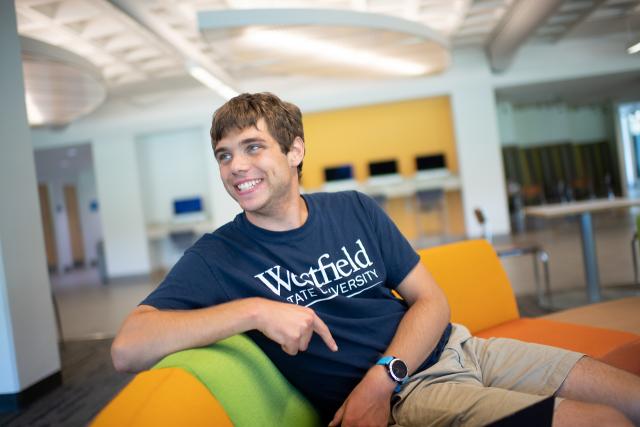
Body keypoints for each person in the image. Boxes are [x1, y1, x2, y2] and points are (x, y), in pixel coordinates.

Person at [112, 92, 640, 427]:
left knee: (629, 397)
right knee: (602, 423)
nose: (235, 167)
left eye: (253, 148)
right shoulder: (217, 256)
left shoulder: (353, 209)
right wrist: (253, 311)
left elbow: (430, 299)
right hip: (414, 398)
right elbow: (127, 349)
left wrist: (380, 377)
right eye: (224, 155)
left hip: (461, 348)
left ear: (295, 151)